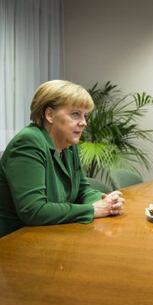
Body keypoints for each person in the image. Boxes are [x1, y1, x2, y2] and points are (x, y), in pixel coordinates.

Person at [0, 80, 125, 238]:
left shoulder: (68, 145)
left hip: (51, 236)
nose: (83, 123)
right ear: (50, 115)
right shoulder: (28, 142)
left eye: (84, 115)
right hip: (15, 243)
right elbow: (33, 211)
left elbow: (82, 189)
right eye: (75, 114)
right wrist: (93, 209)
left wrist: (107, 202)